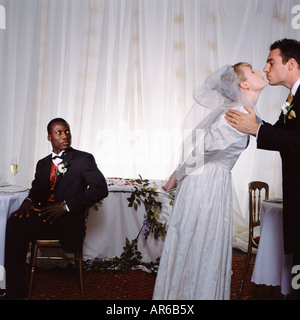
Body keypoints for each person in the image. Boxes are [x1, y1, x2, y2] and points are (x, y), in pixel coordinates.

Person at [152, 63, 267, 300]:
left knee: (203, 243)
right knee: (201, 244)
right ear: (244, 84)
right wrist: (178, 175)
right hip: (206, 184)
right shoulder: (238, 113)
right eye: (254, 71)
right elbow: (204, 149)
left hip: (213, 181)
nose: (261, 71)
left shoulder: (244, 111)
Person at [0, 118, 108, 299]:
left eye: (67, 131)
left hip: (67, 221)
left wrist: (66, 206)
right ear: (49, 137)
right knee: (14, 220)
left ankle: (15, 287)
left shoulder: (83, 159)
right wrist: (28, 202)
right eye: (59, 133)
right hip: (44, 217)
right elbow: (37, 190)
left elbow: (100, 189)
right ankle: (15, 289)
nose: (65, 136)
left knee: (16, 225)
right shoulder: (43, 164)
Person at [225, 39, 300, 298]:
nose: (265, 68)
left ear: (290, 64)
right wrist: (256, 121)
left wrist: (256, 129)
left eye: (270, 62)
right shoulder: (293, 97)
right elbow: (281, 134)